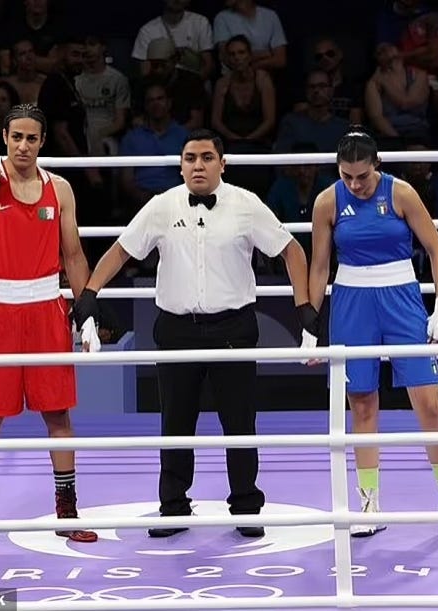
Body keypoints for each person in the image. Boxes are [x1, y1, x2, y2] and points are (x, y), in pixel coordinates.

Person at [73, 128, 319, 538]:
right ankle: (173, 507)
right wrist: (89, 295)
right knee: (175, 421)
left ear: (223, 164)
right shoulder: (161, 206)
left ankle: (245, 506)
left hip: (234, 327)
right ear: (181, 164)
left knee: (239, 421)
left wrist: (304, 308)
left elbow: (291, 249)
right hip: (176, 328)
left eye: (207, 157)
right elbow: (120, 249)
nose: (198, 165)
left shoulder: (246, 205)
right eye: (190, 158)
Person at [307, 128, 438, 537]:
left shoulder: (402, 193)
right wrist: (311, 326)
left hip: (401, 298)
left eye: (361, 176)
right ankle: (368, 503)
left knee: (428, 403)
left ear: (376, 165)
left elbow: (436, 248)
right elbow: (319, 266)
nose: (355, 184)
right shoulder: (327, 200)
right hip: (351, 302)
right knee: (362, 404)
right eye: (347, 176)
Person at [0, 92, 100, 548]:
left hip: (46, 310)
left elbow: (73, 253)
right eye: (16, 136)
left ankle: (67, 510)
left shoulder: (60, 188)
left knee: (58, 414)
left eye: (31, 139)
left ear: (41, 143)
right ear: (4, 137)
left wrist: (87, 311)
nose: (23, 145)